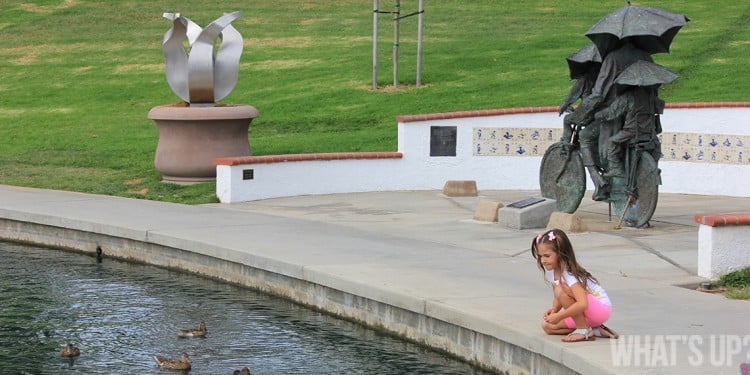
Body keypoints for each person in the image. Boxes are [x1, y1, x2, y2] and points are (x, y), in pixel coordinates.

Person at [531, 229, 618, 342]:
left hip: (599, 309)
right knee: (547, 326)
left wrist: (559, 316)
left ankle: (583, 330)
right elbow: (558, 297)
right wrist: (554, 310)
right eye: (540, 256)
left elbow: (582, 304)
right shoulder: (551, 271)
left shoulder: (569, 274)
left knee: (561, 291)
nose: (543, 260)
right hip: (588, 313)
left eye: (547, 256)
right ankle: (594, 330)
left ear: (561, 254)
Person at [594, 84, 664, 177]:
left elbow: (611, 112)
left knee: (612, 142)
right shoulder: (650, 95)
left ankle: (616, 168)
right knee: (656, 146)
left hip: (631, 131)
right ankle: (655, 167)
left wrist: (598, 115)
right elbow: (660, 107)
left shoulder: (628, 96)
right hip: (650, 131)